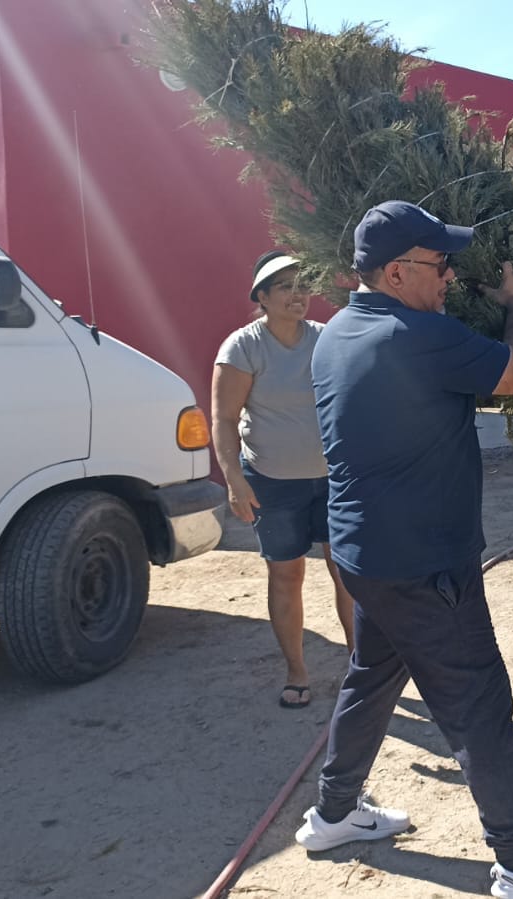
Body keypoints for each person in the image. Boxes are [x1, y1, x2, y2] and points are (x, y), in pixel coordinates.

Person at [297, 201, 513, 899]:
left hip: (363, 555)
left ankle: (333, 813)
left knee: (371, 677)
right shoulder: (419, 334)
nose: (449, 277)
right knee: (477, 699)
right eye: (440, 265)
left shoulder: (336, 333)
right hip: (424, 563)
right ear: (399, 271)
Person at [211, 251, 357, 710]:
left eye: (303, 284)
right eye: (286, 287)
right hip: (274, 482)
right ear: (262, 298)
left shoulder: (326, 338)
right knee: (286, 573)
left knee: (348, 573)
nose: (299, 294)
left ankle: (361, 664)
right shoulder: (243, 347)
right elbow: (224, 418)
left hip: (334, 479)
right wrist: (234, 479)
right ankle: (297, 670)